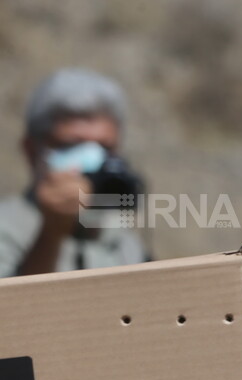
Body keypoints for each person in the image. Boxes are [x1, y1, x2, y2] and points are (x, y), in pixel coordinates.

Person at [0, 68, 148, 277]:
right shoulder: (7, 227)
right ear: (31, 150)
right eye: (72, 145)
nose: (92, 161)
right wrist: (51, 232)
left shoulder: (121, 237)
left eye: (104, 147)